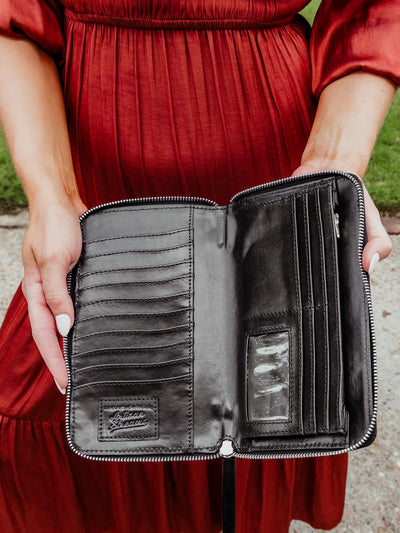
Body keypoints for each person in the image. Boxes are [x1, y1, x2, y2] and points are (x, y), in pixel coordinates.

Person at [0, 1, 398, 532]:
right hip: (93, 173)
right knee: (81, 383)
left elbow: (369, 13)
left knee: (257, 383)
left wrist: (333, 162)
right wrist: (52, 193)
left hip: (275, 159)